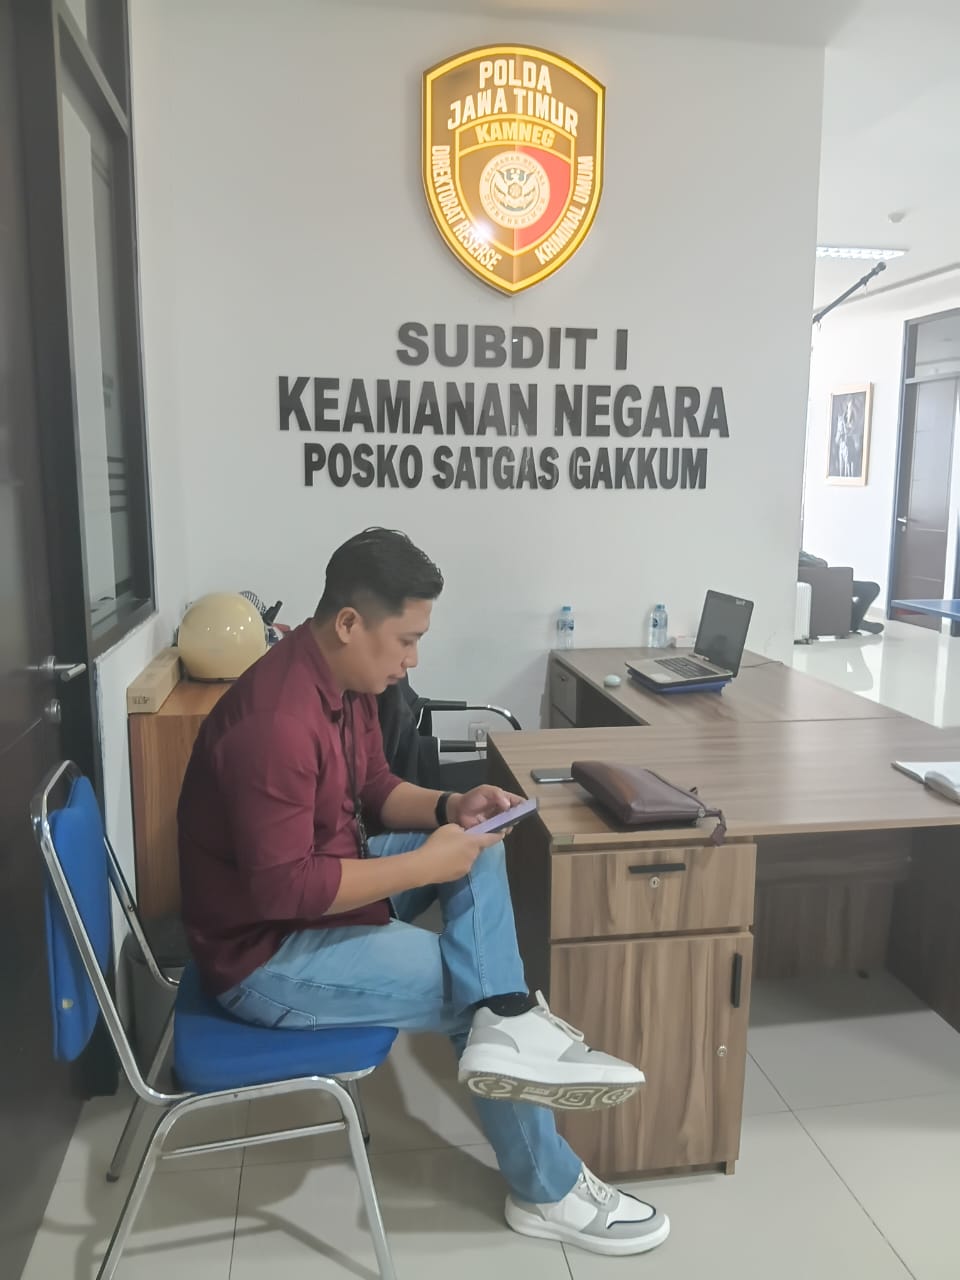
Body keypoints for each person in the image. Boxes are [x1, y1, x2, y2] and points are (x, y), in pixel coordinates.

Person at [178, 527, 670, 1258]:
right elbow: (288, 890)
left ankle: (507, 1019)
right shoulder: (276, 724)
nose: (412, 659)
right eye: (405, 640)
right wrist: (425, 864)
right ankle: (547, 1187)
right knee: (468, 986)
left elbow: (375, 787)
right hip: (264, 954)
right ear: (350, 623)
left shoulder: (343, 681)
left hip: (325, 885)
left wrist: (451, 808)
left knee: (476, 854)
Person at [798, 549, 883, 634]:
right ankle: (855, 622)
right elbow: (819, 563)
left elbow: (821, 562)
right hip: (823, 586)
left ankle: (854, 621)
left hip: (829, 582)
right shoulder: (793, 553)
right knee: (870, 589)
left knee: (870, 589)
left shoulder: (799, 552)